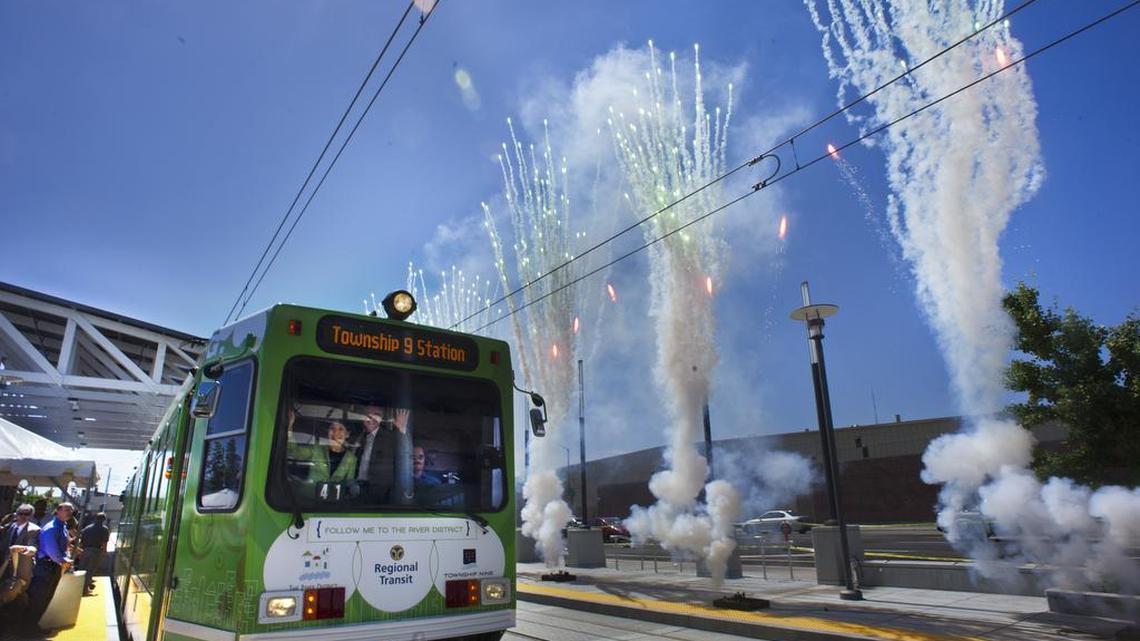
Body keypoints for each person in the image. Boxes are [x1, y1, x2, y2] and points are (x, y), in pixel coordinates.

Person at [24, 502, 74, 633]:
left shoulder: (61, 527)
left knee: (46, 596)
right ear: (57, 511)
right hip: (46, 566)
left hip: (51, 566)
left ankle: (33, 626)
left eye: (71, 510)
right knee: (39, 597)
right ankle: (30, 628)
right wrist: (64, 561)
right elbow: (52, 551)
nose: (69, 512)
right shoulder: (52, 528)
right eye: (66, 510)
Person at [354, 405, 412, 500]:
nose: (372, 419)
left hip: (380, 493)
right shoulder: (359, 436)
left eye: (376, 415)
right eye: (368, 415)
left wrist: (402, 429)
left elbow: (405, 453)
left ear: (381, 419)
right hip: (357, 489)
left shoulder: (389, 437)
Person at [287, 418, 358, 485]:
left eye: (341, 429)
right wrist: (289, 426)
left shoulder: (351, 459)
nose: (336, 432)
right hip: (309, 495)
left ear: (347, 434)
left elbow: (349, 483)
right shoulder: (316, 449)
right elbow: (294, 452)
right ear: (328, 432)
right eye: (332, 428)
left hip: (334, 497)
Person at [0, 504, 40, 614]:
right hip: (6, 566)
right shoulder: (10, 526)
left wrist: (28, 549)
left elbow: (33, 545)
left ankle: (19, 621)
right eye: (20, 513)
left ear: (31, 515)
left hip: (21, 567)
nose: (23, 516)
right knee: (6, 591)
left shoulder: (34, 530)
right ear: (16, 514)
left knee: (19, 592)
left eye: (26, 514)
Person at [78, 513, 110, 595]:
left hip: (85, 550)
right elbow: (104, 543)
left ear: (95, 519)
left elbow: (81, 541)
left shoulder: (87, 528)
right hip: (96, 551)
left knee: (82, 570)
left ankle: (78, 588)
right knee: (90, 571)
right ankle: (85, 590)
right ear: (103, 520)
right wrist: (104, 553)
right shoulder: (104, 529)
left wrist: (80, 552)